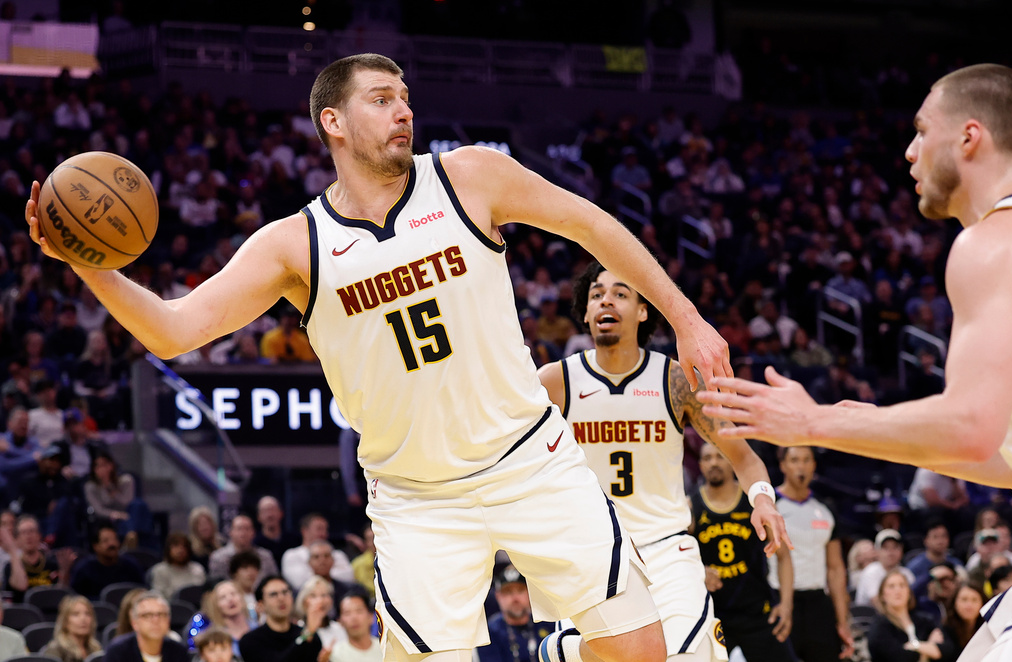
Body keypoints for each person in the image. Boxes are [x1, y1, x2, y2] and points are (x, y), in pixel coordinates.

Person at [24, 52, 736, 662]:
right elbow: (176, 329)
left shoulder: (470, 176)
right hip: (419, 497)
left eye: (406, 99)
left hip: (530, 461)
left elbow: (593, 225)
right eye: (382, 98)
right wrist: (86, 261)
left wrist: (686, 317)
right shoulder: (293, 244)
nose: (404, 112)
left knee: (640, 649)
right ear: (332, 121)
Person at [696, 63, 1012, 661]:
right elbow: (1008, 461)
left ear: (970, 137)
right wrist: (863, 427)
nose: (909, 150)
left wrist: (813, 423)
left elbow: (970, 427)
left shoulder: (993, 243)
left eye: (923, 130)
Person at [536, 263, 788, 661]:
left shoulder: (676, 381)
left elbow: (744, 456)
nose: (606, 299)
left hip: (667, 549)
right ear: (585, 312)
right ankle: (569, 650)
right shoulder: (557, 381)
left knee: (684, 656)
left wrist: (762, 498)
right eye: (596, 294)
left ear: (642, 311)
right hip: (593, 551)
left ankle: (564, 651)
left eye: (620, 293)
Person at [691, 443, 797, 662]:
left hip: (756, 612)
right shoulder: (690, 506)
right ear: (700, 465)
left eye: (719, 457)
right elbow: (674, 555)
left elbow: (784, 555)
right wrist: (697, 570)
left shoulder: (754, 502)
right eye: (707, 458)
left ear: (731, 461)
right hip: (711, 615)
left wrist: (786, 605)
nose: (713, 463)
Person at [771, 447, 854, 662]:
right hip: (779, 599)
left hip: (818, 602)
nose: (801, 466)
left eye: (806, 460)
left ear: (814, 466)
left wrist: (842, 621)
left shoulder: (825, 508)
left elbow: (835, 568)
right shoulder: (770, 506)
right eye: (795, 460)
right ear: (783, 466)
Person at [476, 563, 554, 662]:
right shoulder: (489, 632)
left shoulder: (548, 624)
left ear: (529, 593)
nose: (515, 598)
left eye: (520, 590)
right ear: (498, 596)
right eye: (508, 592)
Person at [237, 575, 324, 662]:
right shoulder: (250, 641)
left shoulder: (310, 636)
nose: (281, 598)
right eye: (273, 594)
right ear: (260, 605)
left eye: (285, 592)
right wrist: (307, 634)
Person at [82, 449, 153, 549]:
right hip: (109, 517)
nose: (102, 469)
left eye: (105, 465)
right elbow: (98, 510)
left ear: (111, 465)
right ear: (93, 469)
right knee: (133, 519)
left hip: (129, 514)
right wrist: (104, 486)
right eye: (98, 466)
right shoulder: (90, 487)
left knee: (138, 504)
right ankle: (132, 539)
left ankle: (131, 537)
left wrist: (112, 490)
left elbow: (127, 503)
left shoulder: (126, 480)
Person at [866, 570, 942, 662]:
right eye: (891, 586)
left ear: (909, 592)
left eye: (902, 585)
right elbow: (901, 658)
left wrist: (915, 646)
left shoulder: (924, 620)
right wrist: (929, 647)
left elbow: (946, 649)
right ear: (882, 595)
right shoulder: (879, 626)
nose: (898, 590)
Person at [106, 591, 190, 662]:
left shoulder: (179, 651)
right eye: (147, 615)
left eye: (161, 614)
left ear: (168, 620)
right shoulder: (118, 651)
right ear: (134, 622)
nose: (155, 620)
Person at [70, 521, 145, 600]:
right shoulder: (84, 569)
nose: (112, 544)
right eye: (106, 541)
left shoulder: (131, 566)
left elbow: (143, 593)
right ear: (95, 546)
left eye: (115, 539)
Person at [280, 513, 353, 591]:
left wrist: (315, 573)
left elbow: (348, 577)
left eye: (326, 529)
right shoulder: (292, 555)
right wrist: (328, 575)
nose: (323, 534)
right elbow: (300, 582)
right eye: (319, 529)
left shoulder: (338, 554)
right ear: (304, 531)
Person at [855, 529, 916, 609]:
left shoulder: (906, 573)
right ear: (877, 551)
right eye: (885, 548)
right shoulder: (870, 571)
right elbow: (877, 602)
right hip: (873, 617)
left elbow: (912, 600)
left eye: (895, 547)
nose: (891, 552)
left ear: (901, 550)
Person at [208, 514, 278, 583]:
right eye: (239, 529)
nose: (243, 533)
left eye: (247, 529)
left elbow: (274, 582)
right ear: (231, 532)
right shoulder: (218, 558)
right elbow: (218, 586)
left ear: (253, 533)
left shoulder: (265, 556)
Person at [42, 595, 103, 662]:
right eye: (76, 614)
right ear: (65, 621)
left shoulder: (96, 649)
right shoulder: (55, 650)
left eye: (87, 614)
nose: (83, 619)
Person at [150, 532, 207, 601]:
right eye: (176, 546)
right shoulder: (159, 570)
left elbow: (203, 595)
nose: (180, 550)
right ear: (168, 549)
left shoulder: (197, 569)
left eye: (184, 546)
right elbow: (158, 597)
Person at [295, 576, 347, 650]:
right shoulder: (296, 629)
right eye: (313, 596)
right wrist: (309, 631)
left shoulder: (339, 628)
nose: (320, 601)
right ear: (304, 601)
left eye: (324, 595)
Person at [936, 583, 984, 661]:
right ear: (955, 603)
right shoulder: (944, 631)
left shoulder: (989, 629)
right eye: (964, 599)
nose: (969, 605)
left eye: (974, 600)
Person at [330, 591, 380, 662]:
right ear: (340, 621)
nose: (354, 618)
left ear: (371, 617)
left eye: (359, 611)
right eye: (347, 613)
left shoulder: (385, 648)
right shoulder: (335, 654)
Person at [254, 496, 300, 568]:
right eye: (265, 511)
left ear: (281, 513)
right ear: (258, 517)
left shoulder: (295, 541)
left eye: (272, 510)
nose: (269, 515)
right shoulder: (255, 545)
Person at [188, 506, 225, 570]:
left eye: (206, 523)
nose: (204, 527)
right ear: (194, 528)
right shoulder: (189, 548)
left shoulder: (222, 544)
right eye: (200, 524)